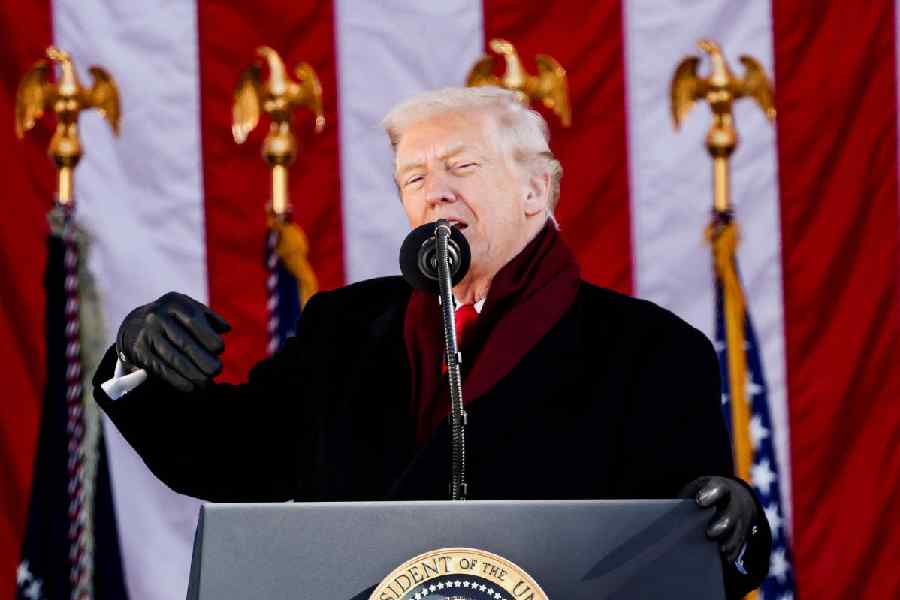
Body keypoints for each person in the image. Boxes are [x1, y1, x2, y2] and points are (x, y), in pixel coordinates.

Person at [93, 86, 771, 597]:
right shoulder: (344, 329)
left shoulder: (650, 349)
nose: (435, 193)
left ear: (536, 191)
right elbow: (235, 461)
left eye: (461, 167)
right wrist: (137, 364)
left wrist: (729, 517)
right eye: (415, 179)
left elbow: (691, 541)